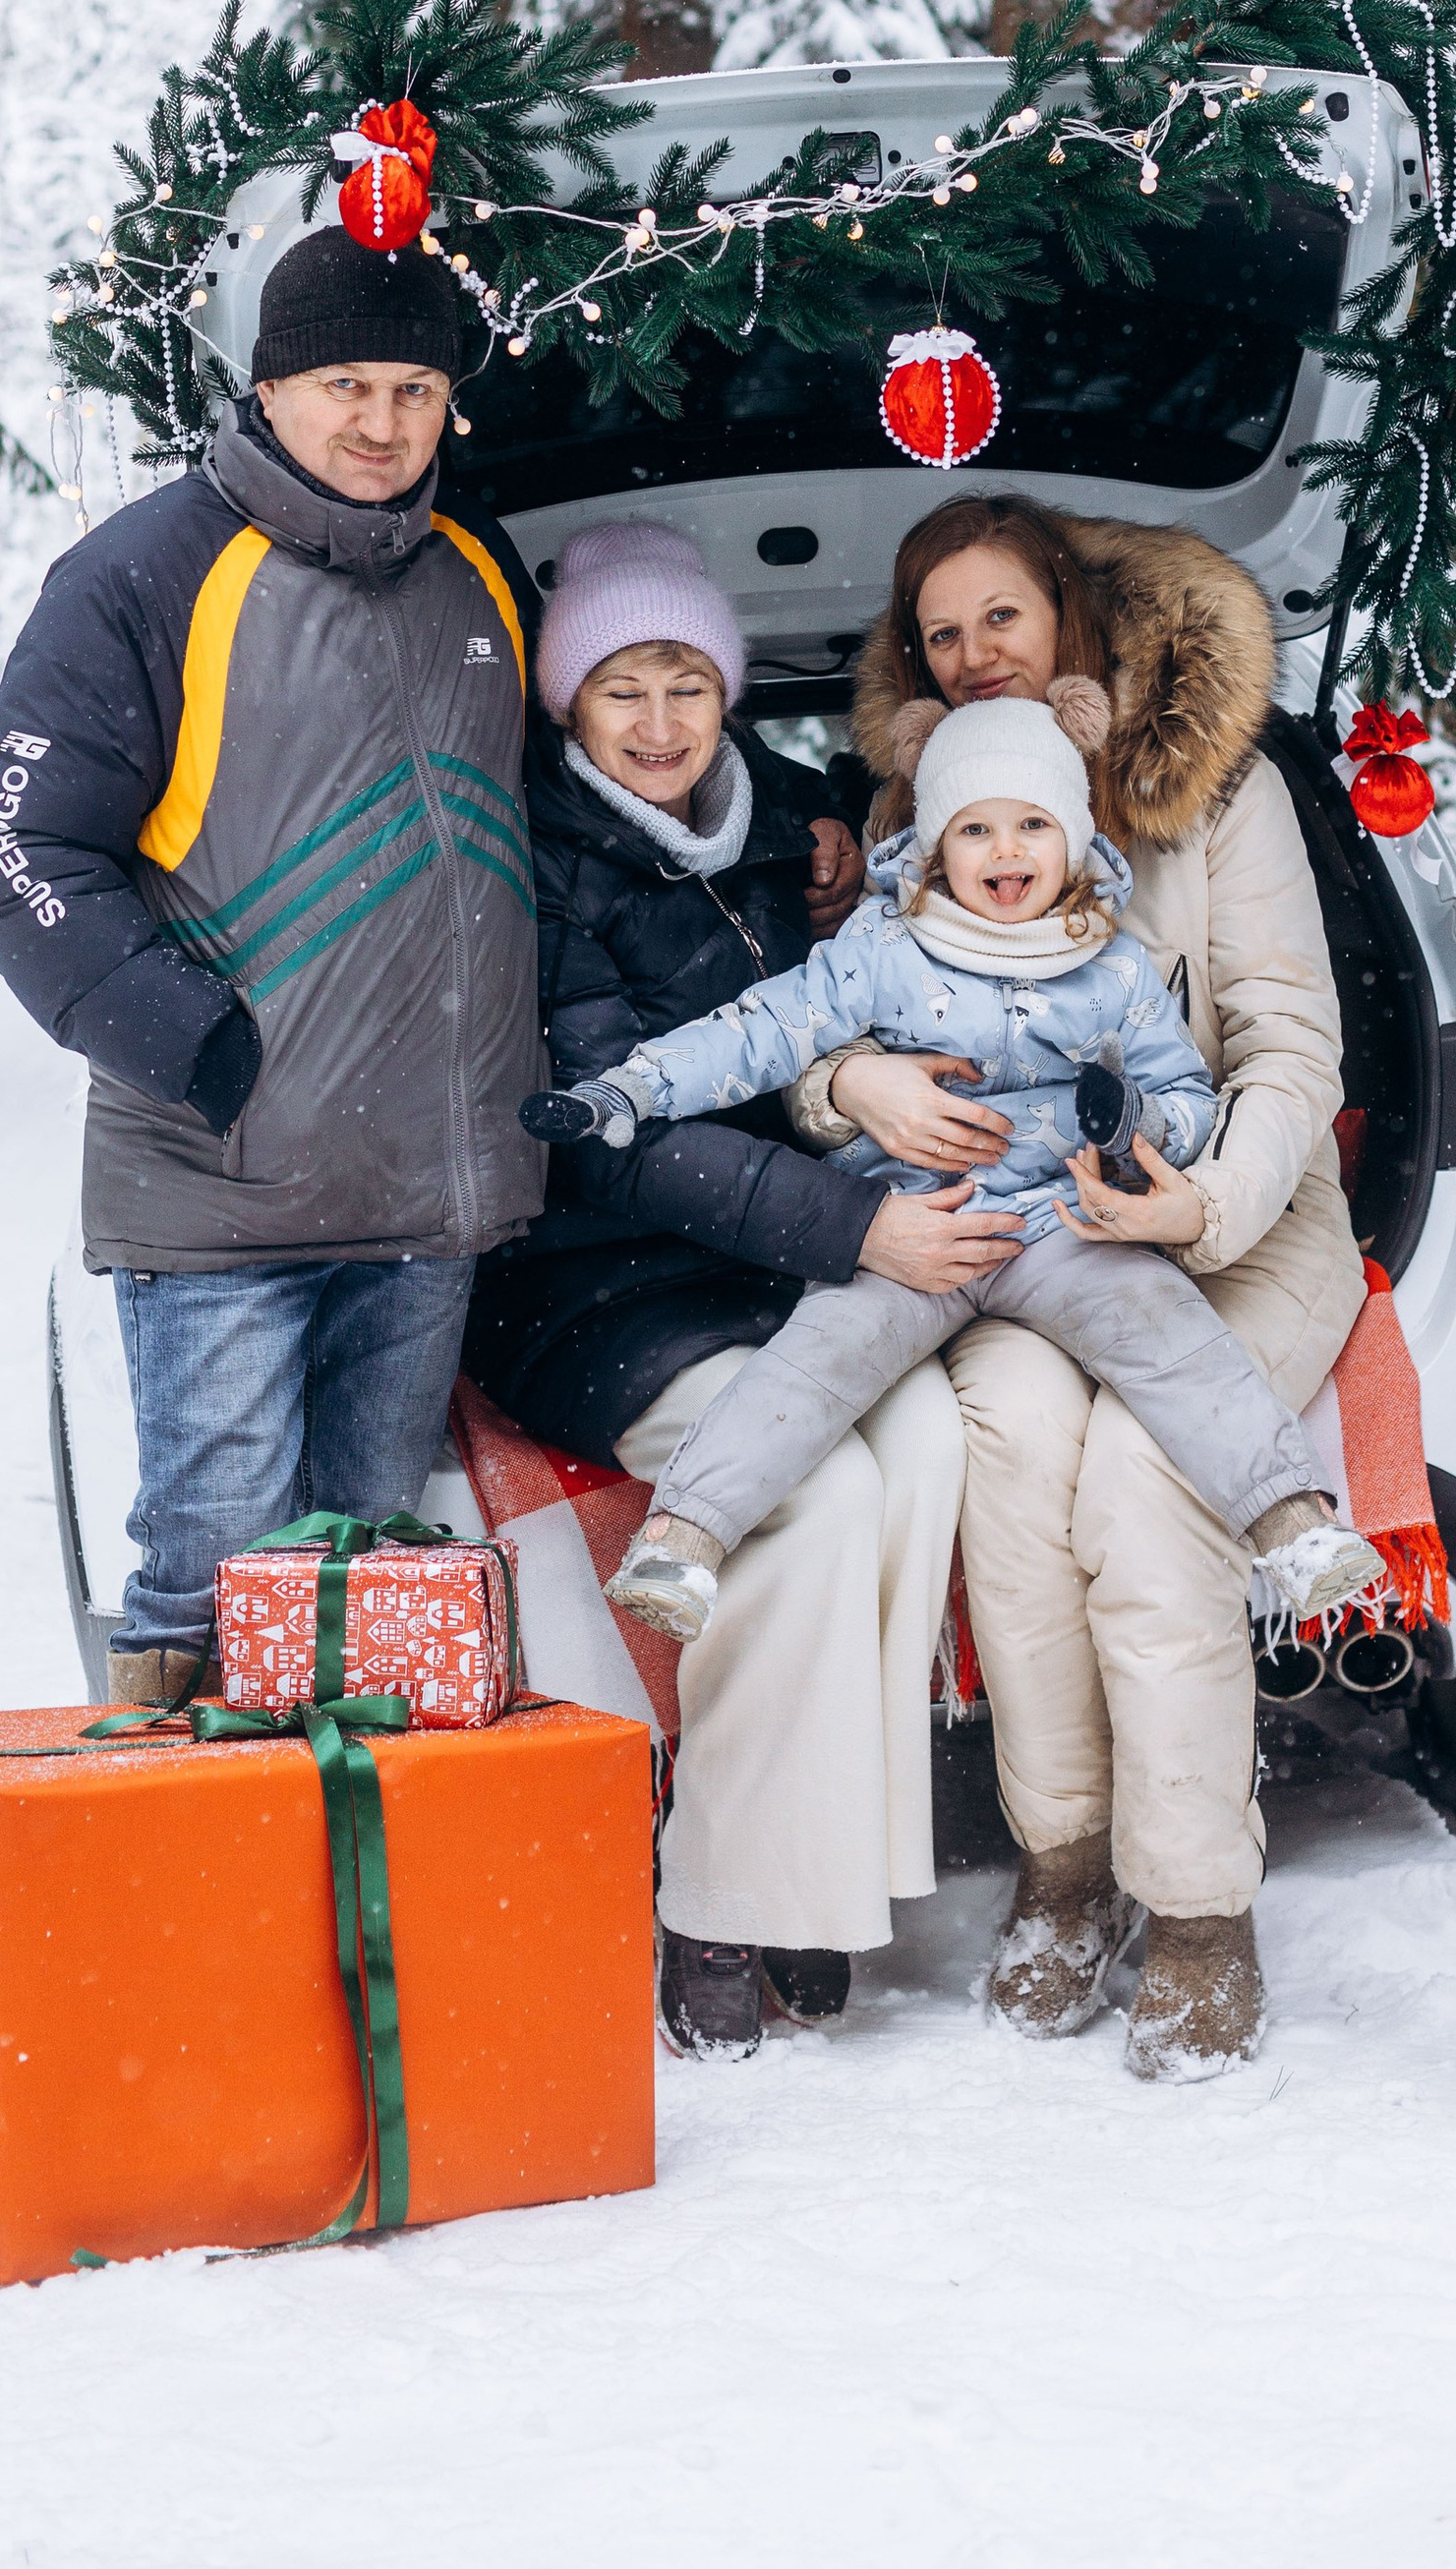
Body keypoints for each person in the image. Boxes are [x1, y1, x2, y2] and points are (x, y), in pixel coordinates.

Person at [793, 495, 1368, 2080]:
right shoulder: (923, 830)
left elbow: (1291, 1045)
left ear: (1071, 621)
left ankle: (1194, 1912)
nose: (975, 658)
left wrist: (1204, 1204)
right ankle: (1066, 1861)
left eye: (1003, 620)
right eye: (942, 634)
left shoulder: (1220, 796)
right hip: (1023, 1241)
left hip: (1237, 1225)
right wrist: (857, 1091)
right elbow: (821, 1033)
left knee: (1144, 1473)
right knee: (1020, 1451)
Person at [0, 227, 543, 1709]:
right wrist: (199, 1050)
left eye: (415, 388)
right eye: (345, 382)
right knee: (218, 1585)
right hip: (223, 1193)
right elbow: (12, 851)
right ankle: (187, 1925)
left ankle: (348, 1921)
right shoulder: (141, 577)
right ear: (268, 383)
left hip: (425, 1205)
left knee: (374, 1589)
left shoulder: (481, 568)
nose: (381, 423)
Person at [529, 687, 1374, 1641]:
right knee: (812, 1364)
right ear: (935, 848)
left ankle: (1292, 1525)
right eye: (973, 828)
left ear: (1072, 839)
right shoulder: (885, 947)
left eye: (1030, 825)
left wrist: (1133, 1123)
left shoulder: (1113, 968)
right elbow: (759, 1032)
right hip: (914, 1226)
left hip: (1061, 1224)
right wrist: (631, 1090)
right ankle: (682, 1541)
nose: (1005, 851)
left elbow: (1185, 1099)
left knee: (1173, 1338)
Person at [463, 521, 985, 2060]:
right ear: (569, 703)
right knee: (806, 1501)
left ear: (727, 693)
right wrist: (857, 1231)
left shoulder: (785, 826)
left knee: (932, 1449)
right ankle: (714, 1898)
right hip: (595, 1284)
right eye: (621, 688)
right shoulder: (534, 862)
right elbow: (610, 1137)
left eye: (686, 682)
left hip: (770, 1258)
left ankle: (821, 1879)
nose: (658, 723)